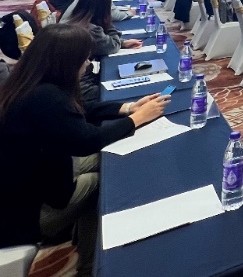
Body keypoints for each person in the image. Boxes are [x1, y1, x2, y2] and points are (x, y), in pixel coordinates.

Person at [0, 23, 170, 275]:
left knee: (105, 158)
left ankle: (83, 242)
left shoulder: (31, 82)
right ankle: (91, 266)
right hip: (28, 214)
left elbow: (77, 113)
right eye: (84, 58)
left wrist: (128, 108)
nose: (88, 63)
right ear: (66, 62)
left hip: (31, 185)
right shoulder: (45, 97)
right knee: (104, 184)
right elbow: (87, 140)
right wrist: (137, 119)